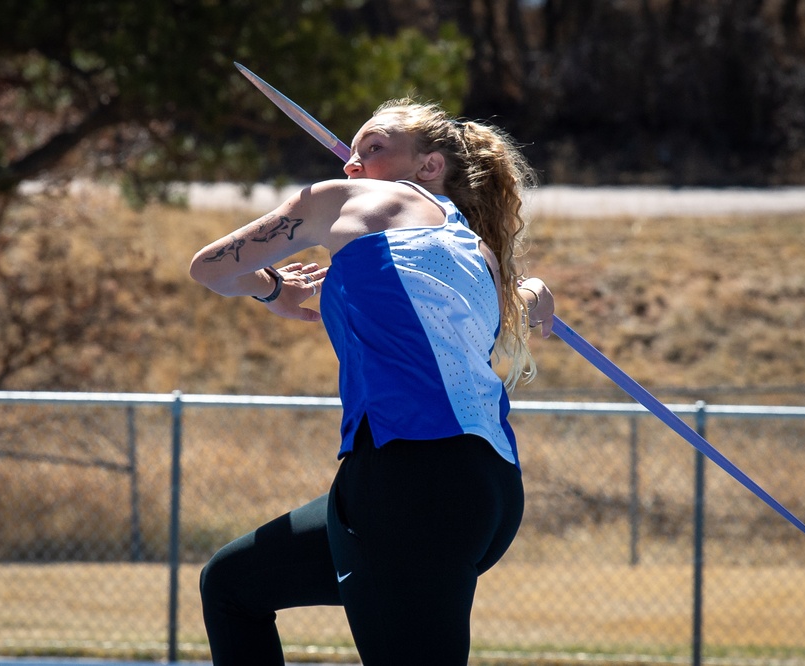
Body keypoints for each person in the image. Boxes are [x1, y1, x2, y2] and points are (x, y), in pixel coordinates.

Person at [189, 98, 555, 666]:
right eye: (352, 154)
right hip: (485, 489)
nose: (353, 164)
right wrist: (530, 289)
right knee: (234, 585)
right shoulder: (477, 253)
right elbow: (482, 319)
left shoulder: (346, 201)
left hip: (412, 482)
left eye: (374, 147)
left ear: (430, 166)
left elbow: (210, 268)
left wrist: (268, 288)